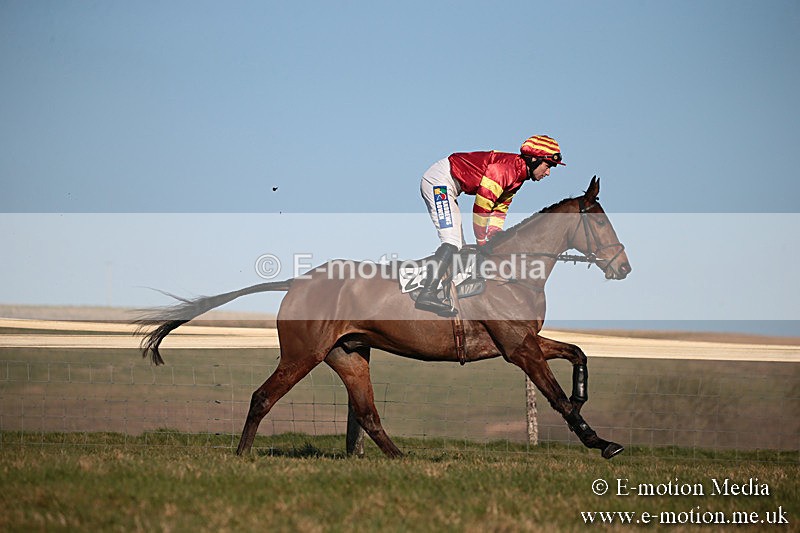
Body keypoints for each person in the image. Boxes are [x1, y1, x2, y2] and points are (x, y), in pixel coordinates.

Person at [416, 134, 565, 316]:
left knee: (460, 248)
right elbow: (481, 207)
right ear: (534, 159)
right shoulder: (504, 170)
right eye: (548, 165)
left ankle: (445, 291)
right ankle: (427, 292)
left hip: (451, 186)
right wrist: (482, 242)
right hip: (439, 182)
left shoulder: (518, 176)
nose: (548, 172)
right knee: (452, 242)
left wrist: (494, 236)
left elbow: (499, 208)